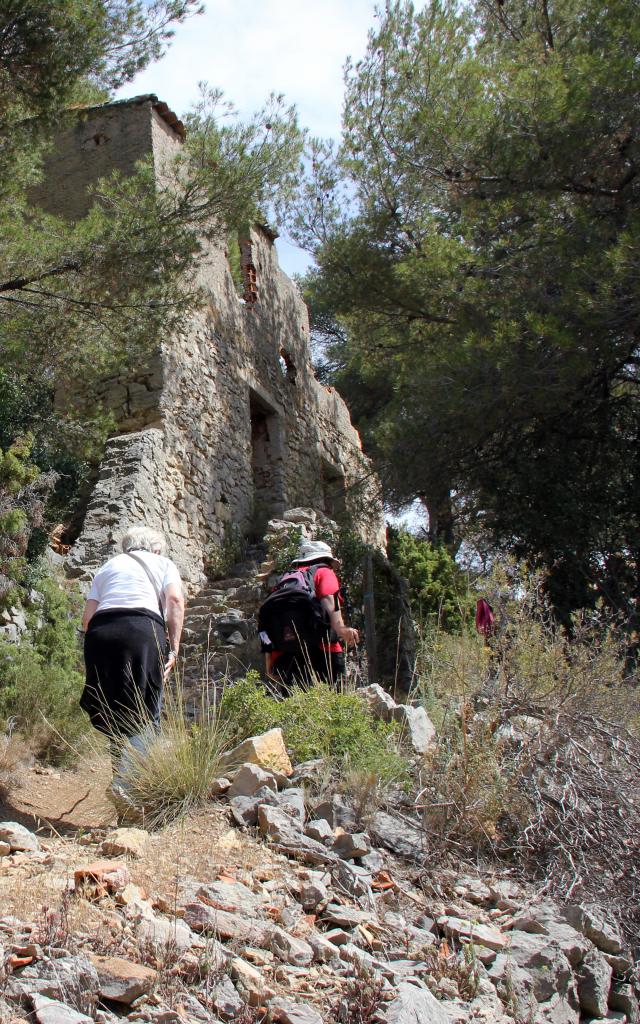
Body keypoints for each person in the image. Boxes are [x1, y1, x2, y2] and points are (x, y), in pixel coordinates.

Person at [80, 526, 185, 786]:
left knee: (114, 711)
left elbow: (86, 619)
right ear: (156, 548)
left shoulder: (107, 567)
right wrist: (174, 646)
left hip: (100, 634)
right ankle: (133, 788)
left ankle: (121, 779)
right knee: (147, 709)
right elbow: (174, 601)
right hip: (142, 631)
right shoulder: (163, 562)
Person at [263, 539, 359, 692]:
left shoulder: (285, 581)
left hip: (287, 653)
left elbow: (266, 621)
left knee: (295, 706)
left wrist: (269, 661)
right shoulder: (324, 571)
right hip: (324, 650)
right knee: (336, 701)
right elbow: (329, 599)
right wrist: (341, 629)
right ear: (326, 559)